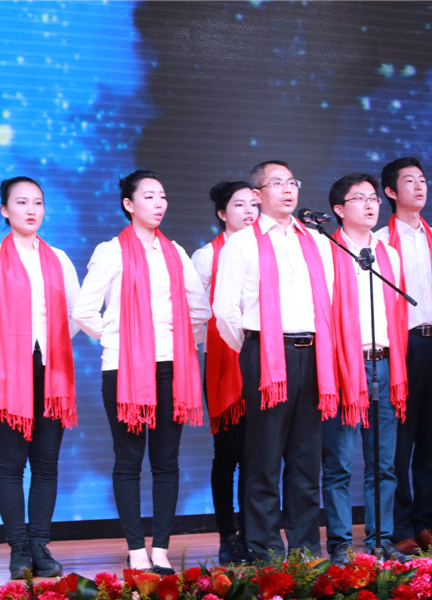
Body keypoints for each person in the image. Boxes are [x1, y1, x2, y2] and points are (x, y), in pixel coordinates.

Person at [73, 169, 210, 574]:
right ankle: (135, 548)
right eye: (149, 196)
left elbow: (200, 309)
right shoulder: (111, 251)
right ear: (129, 205)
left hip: (171, 366)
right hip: (124, 369)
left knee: (166, 460)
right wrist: (119, 340)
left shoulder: (176, 252)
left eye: (162, 196)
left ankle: (161, 548)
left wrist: (178, 339)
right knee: (129, 459)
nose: (159, 203)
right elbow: (83, 311)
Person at [0, 176, 80, 579]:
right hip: (10, 371)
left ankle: (40, 545)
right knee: (11, 465)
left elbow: (76, 314)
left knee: (46, 464)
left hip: (52, 370)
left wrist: (56, 345)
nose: (31, 209)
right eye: (21, 202)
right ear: (4, 211)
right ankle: (19, 549)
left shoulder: (59, 258)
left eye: (38, 202)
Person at [212, 160, 336, 561]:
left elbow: (328, 301)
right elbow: (225, 312)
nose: (287, 189)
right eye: (277, 183)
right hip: (265, 355)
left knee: (306, 460)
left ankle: (305, 553)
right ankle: (264, 551)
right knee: (264, 459)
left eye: (292, 182)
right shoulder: (242, 243)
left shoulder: (316, 241)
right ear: (258, 194)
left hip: (311, 353)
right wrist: (255, 348)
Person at [322, 173, 409, 565]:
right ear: (339, 209)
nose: (371, 204)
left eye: (373, 197)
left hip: (384, 363)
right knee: (338, 463)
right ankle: (340, 543)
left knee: (383, 464)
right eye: (359, 198)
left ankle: (381, 539)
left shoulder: (388, 253)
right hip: (345, 364)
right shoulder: (327, 251)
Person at [374, 157, 432, 555]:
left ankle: (427, 524)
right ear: (391, 191)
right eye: (409, 181)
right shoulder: (378, 241)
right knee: (399, 442)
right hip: (401, 346)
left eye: (422, 180)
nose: (419, 186)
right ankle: (400, 526)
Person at [191, 181, 258, 565]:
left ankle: (253, 532)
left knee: (255, 455)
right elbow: (196, 313)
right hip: (223, 363)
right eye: (239, 205)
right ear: (222, 213)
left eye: (254, 204)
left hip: (262, 361)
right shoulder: (206, 256)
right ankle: (227, 536)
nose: (249, 212)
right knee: (228, 454)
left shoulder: (266, 250)